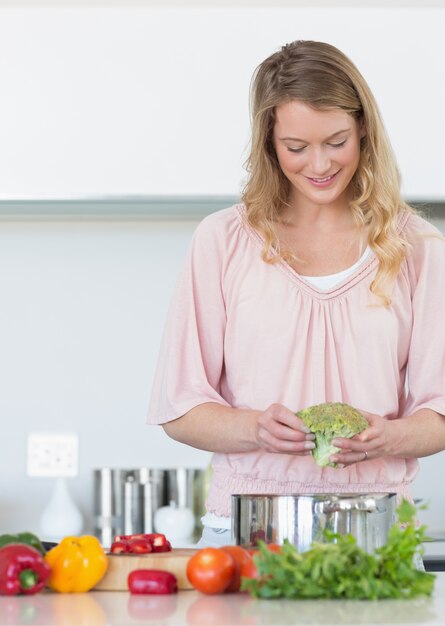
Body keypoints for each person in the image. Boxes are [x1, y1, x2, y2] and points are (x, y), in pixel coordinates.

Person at [147, 40, 445, 547]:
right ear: (269, 143)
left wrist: (387, 437)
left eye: (336, 141)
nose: (320, 164)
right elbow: (180, 409)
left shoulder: (416, 246)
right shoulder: (222, 241)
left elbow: (439, 412)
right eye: (296, 147)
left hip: (375, 534)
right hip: (246, 533)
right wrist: (255, 429)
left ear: (363, 129)